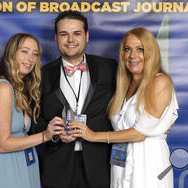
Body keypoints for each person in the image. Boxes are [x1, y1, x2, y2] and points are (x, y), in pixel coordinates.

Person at [69, 27, 179, 188]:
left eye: (140, 49)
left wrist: (93, 136)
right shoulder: (123, 86)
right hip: (120, 162)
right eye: (127, 49)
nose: (132, 56)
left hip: (148, 163)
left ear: (151, 53)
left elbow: (140, 133)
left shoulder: (160, 81)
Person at [31, 11, 118, 188]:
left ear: (87, 36)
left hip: (101, 167)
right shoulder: (41, 75)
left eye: (77, 33)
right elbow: (32, 122)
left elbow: (132, 100)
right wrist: (54, 134)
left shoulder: (110, 68)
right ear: (56, 38)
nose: (71, 40)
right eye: (64, 34)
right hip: (58, 168)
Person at [0, 33, 64, 188]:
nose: (30, 58)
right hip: (2, 171)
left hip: (21, 167)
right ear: (11, 53)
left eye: (35, 54)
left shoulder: (18, 89)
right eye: (24, 51)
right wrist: (45, 135)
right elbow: (2, 144)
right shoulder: (2, 88)